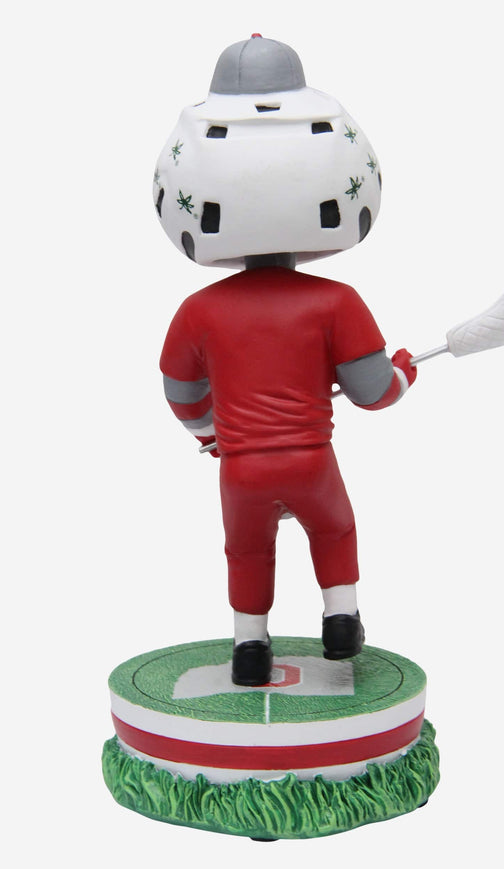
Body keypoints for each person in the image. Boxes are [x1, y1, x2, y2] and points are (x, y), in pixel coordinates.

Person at [156, 35, 416, 685]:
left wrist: (210, 433)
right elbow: (374, 391)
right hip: (310, 460)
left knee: (246, 549)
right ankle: (341, 618)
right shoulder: (336, 301)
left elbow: (180, 389)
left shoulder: (198, 310)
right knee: (334, 529)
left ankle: (250, 647)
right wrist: (405, 370)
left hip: (241, 468)